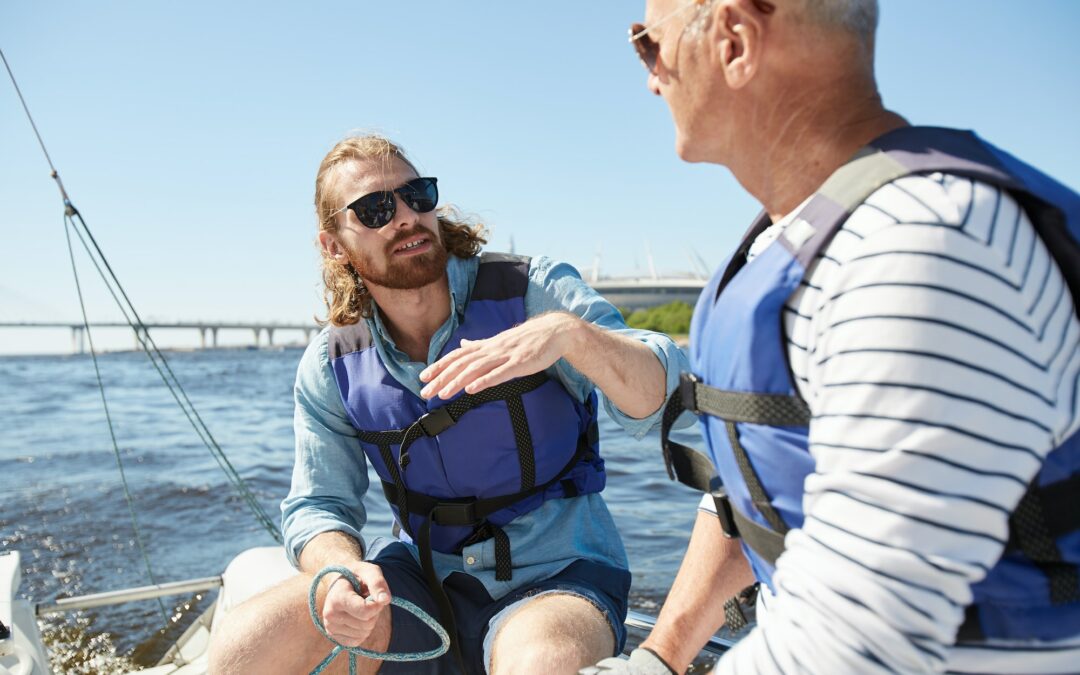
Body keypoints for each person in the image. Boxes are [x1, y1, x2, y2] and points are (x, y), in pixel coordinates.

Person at [584, 0, 1080, 673]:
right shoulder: (792, 245)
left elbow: (866, 632)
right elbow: (756, 486)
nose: (649, 76)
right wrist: (659, 658)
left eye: (648, 44)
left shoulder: (921, 247)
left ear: (733, 40)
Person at [207, 134, 688, 675]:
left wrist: (570, 336)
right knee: (243, 648)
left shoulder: (533, 291)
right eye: (375, 209)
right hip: (420, 583)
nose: (406, 216)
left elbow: (663, 392)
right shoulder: (330, 365)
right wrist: (342, 569)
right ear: (334, 245)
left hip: (558, 574)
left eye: (418, 195)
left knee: (540, 662)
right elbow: (317, 507)